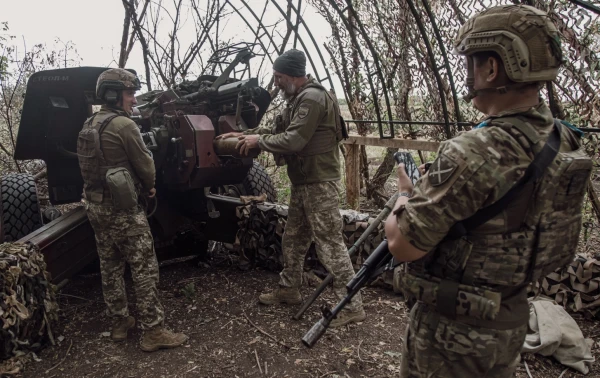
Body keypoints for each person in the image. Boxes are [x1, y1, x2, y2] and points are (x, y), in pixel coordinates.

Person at [384, 5, 592, 377]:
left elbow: (403, 245)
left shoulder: (475, 150)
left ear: (491, 68)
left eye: (472, 63)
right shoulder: (564, 140)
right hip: (509, 319)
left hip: (452, 336)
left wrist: (403, 196)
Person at [216, 49, 365, 327]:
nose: (276, 83)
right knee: (293, 239)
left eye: (278, 77)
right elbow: (277, 130)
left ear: (293, 75)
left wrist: (256, 143)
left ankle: (352, 304)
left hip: (319, 183)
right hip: (304, 182)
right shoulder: (297, 99)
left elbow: (294, 140)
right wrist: (246, 135)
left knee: (330, 245)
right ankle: (289, 289)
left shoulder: (312, 98)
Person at [77, 68, 188, 352]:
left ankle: (119, 323)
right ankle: (153, 331)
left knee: (110, 265)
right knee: (144, 268)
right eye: (129, 93)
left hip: (95, 206)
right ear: (113, 94)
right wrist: (150, 186)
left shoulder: (90, 123)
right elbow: (146, 165)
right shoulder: (124, 126)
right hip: (122, 209)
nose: (134, 100)